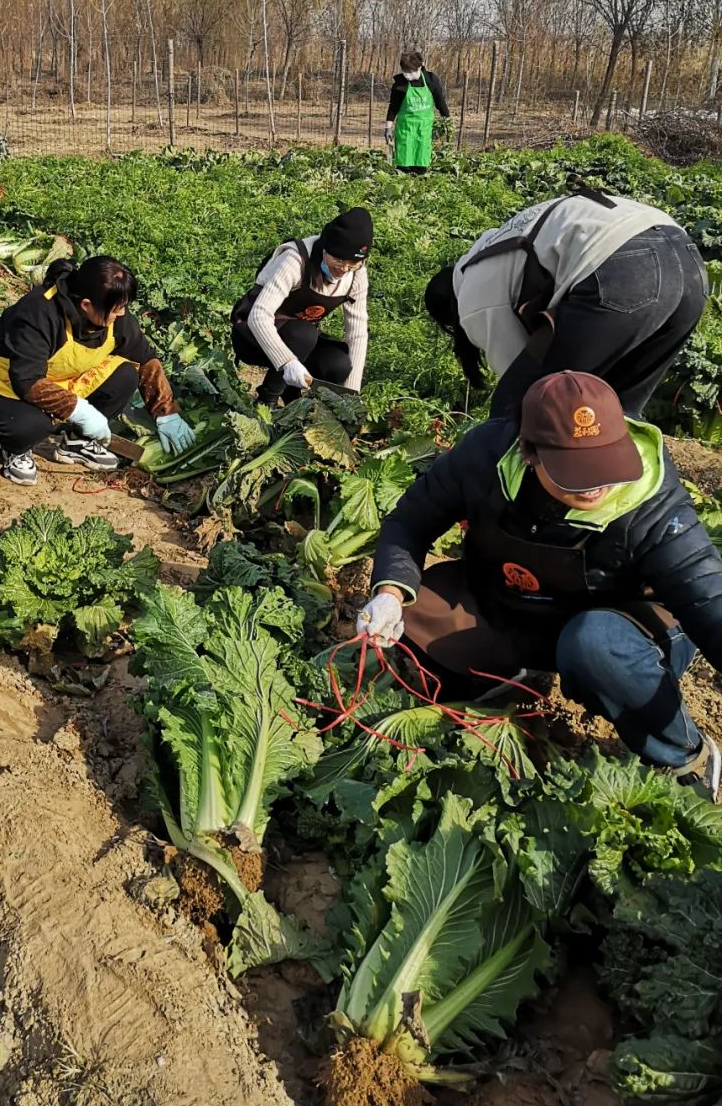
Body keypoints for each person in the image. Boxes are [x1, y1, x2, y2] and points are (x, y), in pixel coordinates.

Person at [356, 370, 722, 799]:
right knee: (420, 610)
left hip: (623, 629)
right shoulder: (484, 457)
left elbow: (707, 595)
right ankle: (504, 677)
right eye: (577, 472)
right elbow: (410, 521)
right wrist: (390, 594)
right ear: (529, 453)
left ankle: (685, 755)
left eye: (606, 464)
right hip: (513, 604)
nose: (597, 485)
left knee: (593, 645)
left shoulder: (651, 499)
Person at [424, 189, 707, 418]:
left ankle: (514, 488)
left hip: (626, 269)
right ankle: (626, 486)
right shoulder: (488, 247)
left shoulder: (473, 296)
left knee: (516, 409)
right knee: (618, 416)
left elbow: (519, 377)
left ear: (452, 313)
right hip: (686, 257)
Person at [0, 256, 195, 486]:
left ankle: (77, 442)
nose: (123, 314)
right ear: (86, 305)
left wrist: (166, 412)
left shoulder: (112, 313)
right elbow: (27, 381)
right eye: (117, 309)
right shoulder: (38, 313)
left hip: (59, 383)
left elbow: (145, 359)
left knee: (126, 375)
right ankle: (14, 450)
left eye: (124, 306)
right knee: (34, 425)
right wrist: (80, 410)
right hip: (3, 388)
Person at [231, 208, 371, 405]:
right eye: (339, 260)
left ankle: (292, 399)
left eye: (353, 263)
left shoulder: (356, 275)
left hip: (300, 344)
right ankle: (266, 402)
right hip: (252, 339)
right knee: (303, 334)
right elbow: (259, 316)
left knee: (337, 364)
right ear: (325, 248)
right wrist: (287, 362)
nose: (344, 269)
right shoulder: (295, 260)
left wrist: (351, 396)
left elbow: (357, 334)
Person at [385, 50, 450, 173]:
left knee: (421, 158)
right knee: (404, 159)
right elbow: (394, 107)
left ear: (420, 67)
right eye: (405, 71)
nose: (408, 75)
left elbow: (440, 101)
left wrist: (446, 119)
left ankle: (420, 180)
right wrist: (388, 127)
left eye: (411, 71)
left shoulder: (431, 80)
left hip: (424, 127)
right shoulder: (400, 84)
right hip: (406, 128)